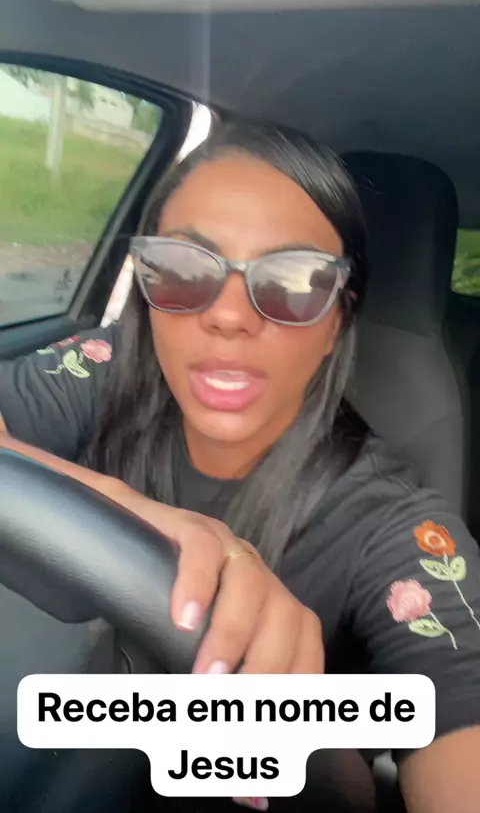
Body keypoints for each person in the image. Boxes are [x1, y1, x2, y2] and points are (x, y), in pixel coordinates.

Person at [1, 122, 480, 813]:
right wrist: (118, 506)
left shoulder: (399, 533)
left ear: (336, 323)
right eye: (182, 269)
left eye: (293, 282)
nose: (228, 316)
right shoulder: (106, 370)